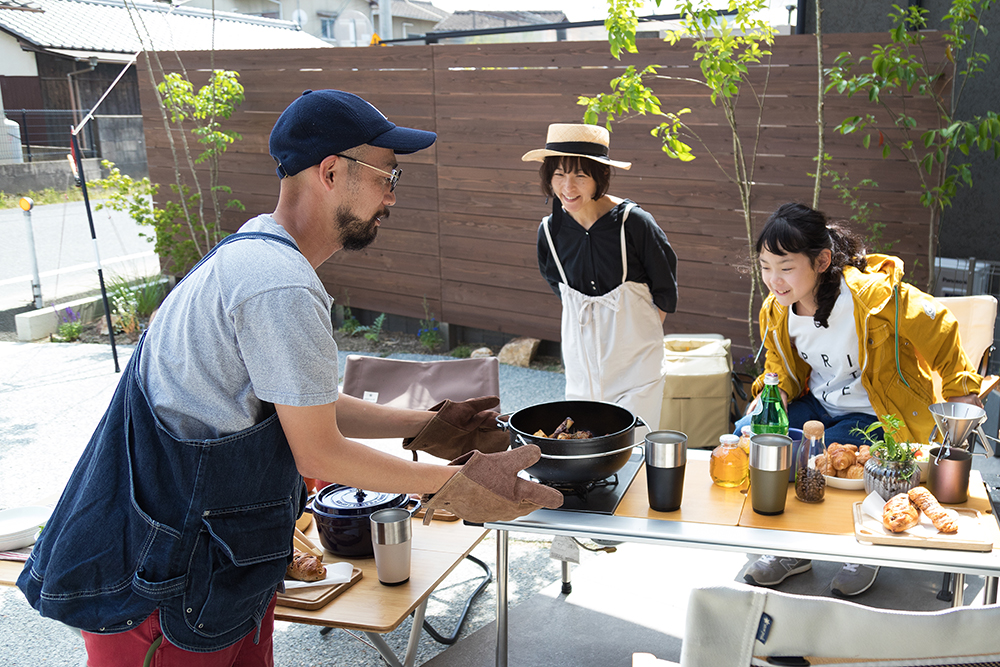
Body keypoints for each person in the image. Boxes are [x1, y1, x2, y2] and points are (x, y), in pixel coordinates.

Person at [18, 89, 563, 666]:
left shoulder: (258, 251)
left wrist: (427, 424)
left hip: (222, 571)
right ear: (331, 172)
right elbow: (320, 456)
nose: (392, 197)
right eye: (388, 175)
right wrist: (456, 484)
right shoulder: (277, 282)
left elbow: (305, 403)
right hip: (166, 588)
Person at [737, 202, 983, 596]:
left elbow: (939, 326)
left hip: (875, 412)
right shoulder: (778, 309)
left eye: (785, 268)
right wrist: (775, 396)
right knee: (757, 438)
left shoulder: (872, 297)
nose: (774, 280)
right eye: (765, 267)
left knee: (834, 461)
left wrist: (961, 389)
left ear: (821, 261)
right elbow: (779, 364)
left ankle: (864, 551)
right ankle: (791, 547)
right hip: (818, 404)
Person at [522, 123, 678, 430]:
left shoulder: (634, 223)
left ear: (600, 177)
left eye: (580, 174)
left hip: (637, 370)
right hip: (582, 371)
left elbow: (665, 291)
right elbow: (558, 285)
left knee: (633, 448)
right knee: (584, 444)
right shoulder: (549, 232)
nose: (568, 187)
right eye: (559, 174)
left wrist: (634, 332)